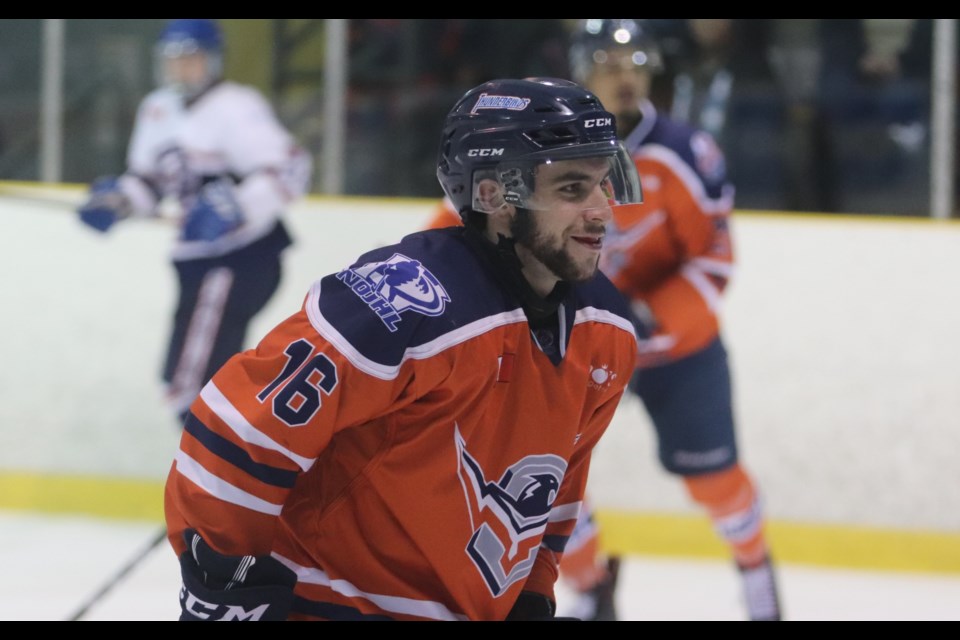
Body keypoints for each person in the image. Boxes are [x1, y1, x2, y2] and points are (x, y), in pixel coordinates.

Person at [163, 76, 645, 621]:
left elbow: (553, 495)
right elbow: (238, 427)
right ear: (492, 197)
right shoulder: (405, 303)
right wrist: (222, 582)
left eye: (605, 185)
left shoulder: (606, 332)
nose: (603, 211)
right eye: (571, 189)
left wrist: (531, 595)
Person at [424, 19, 782, 622]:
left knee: (713, 478)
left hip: (671, 347)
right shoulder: (525, 148)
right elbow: (465, 228)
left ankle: (756, 571)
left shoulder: (683, 153)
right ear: (580, 69)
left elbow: (713, 261)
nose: (625, 78)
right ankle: (592, 587)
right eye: (610, 64)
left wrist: (645, 319)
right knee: (541, 483)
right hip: (569, 348)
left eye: (636, 65)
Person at [76, 19, 312, 426]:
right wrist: (120, 202)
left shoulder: (236, 106)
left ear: (213, 60)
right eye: (173, 59)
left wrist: (237, 206)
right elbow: (149, 182)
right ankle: (221, 462)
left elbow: (292, 167)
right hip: (197, 260)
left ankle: (212, 468)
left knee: (194, 383)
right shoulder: (157, 109)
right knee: (186, 376)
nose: (181, 68)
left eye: (191, 58)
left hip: (242, 257)